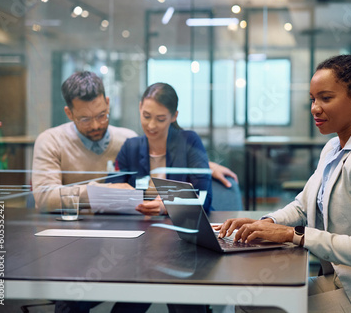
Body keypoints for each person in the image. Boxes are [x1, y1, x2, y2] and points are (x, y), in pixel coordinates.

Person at [216, 55, 351, 313]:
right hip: (348, 282)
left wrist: (292, 235)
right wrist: (267, 223)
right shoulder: (334, 148)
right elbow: (302, 205)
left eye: (326, 98)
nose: (315, 108)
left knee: (256, 308)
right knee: (249, 303)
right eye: (313, 99)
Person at [32, 71, 237, 213]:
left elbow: (166, 156)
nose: (95, 125)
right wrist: (100, 192)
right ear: (69, 113)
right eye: (85, 119)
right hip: (77, 225)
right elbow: (44, 198)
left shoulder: (125, 138)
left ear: (108, 103)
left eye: (102, 115)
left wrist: (205, 166)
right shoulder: (51, 141)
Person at [105, 82, 212, 214]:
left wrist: (167, 206)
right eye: (146, 116)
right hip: (140, 224)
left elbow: (204, 198)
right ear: (140, 107)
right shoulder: (130, 147)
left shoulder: (189, 142)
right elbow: (109, 194)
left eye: (160, 119)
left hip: (181, 225)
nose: (151, 125)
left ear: (174, 116)